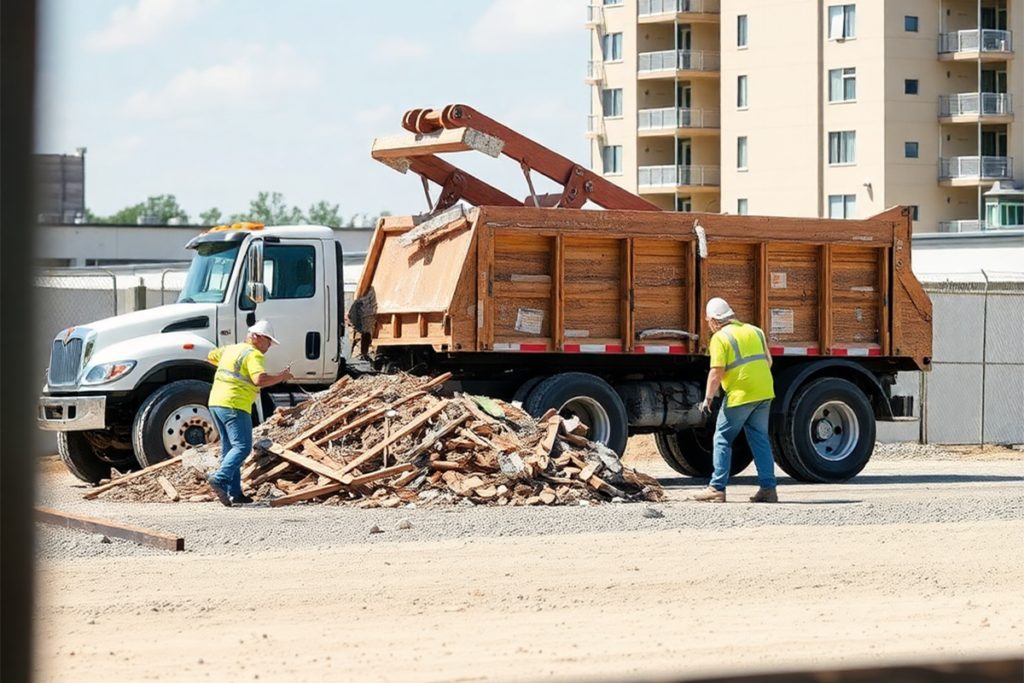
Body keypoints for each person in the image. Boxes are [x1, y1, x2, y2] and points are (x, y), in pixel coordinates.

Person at [692, 297, 778, 503]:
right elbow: (769, 361)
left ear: (713, 320)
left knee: (722, 437)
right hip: (765, 391)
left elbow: (716, 372)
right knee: (760, 439)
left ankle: (717, 488)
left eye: (708, 321)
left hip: (740, 394)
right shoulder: (755, 331)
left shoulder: (720, 338)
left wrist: (708, 399)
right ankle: (768, 489)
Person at [205, 319, 292, 506]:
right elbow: (259, 379)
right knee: (242, 447)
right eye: (268, 341)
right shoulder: (253, 354)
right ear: (256, 337)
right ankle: (220, 478)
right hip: (235, 404)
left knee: (230, 448)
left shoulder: (231, 349)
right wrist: (281, 377)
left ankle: (235, 493)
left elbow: (211, 356)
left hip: (216, 402)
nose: (268, 346)